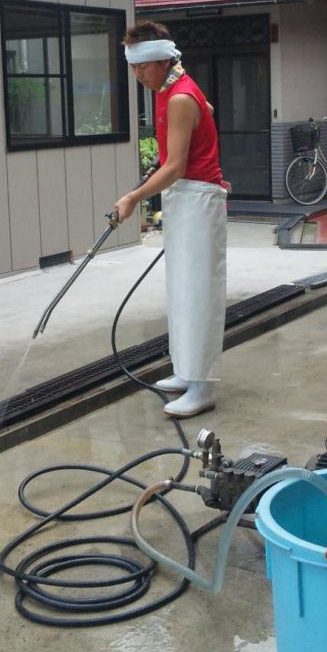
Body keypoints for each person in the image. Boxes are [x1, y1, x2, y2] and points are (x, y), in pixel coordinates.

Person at [114, 21, 228, 418]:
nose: (137, 74)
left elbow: (176, 165)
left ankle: (202, 387)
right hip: (184, 198)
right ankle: (185, 371)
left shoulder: (178, 96)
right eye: (133, 66)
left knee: (198, 293)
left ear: (163, 60)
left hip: (198, 199)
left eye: (142, 66)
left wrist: (132, 198)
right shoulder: (172, 88)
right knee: (180, 289)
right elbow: (207, 111)